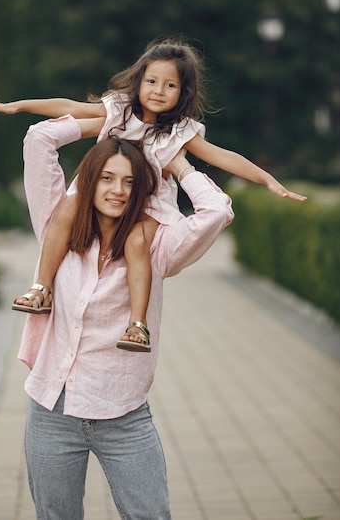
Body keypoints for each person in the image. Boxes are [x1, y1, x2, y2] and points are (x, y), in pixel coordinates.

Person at [0, 38, 306, 352]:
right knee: (67, 210)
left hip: (149, 203)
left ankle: (137, 324)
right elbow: (69, 107)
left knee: (137, 245)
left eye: (170, 85)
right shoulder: (118, 111)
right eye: (152, 81)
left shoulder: (181, 131)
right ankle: (42, 288)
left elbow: (222, 156)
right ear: (138, 81)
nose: (158, 91)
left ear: (183, 92)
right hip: (100, 190)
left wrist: (267, 180)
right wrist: (21, 105)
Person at [16, 112, 234, 519]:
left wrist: (180, 164)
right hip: (51, 411)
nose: (118, 191)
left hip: (123, 415)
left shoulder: (158, 248)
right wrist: (109, 122)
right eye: (107, 178)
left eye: (130, 182)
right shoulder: (57, 226)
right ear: (90, 180)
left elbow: (216, 211)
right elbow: (39, 138)